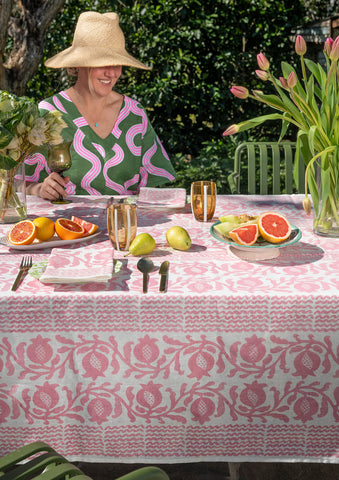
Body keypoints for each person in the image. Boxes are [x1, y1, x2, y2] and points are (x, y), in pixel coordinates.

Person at [25, 11, 176, 201]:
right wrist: (39, 189)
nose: (112, 73)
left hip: (125, 226)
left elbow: (155, 188)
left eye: (117, 64)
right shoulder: (48, 113)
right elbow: (18, 182)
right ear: (79, 63)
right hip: (68, 227)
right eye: (102, 63)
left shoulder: (134, 113)